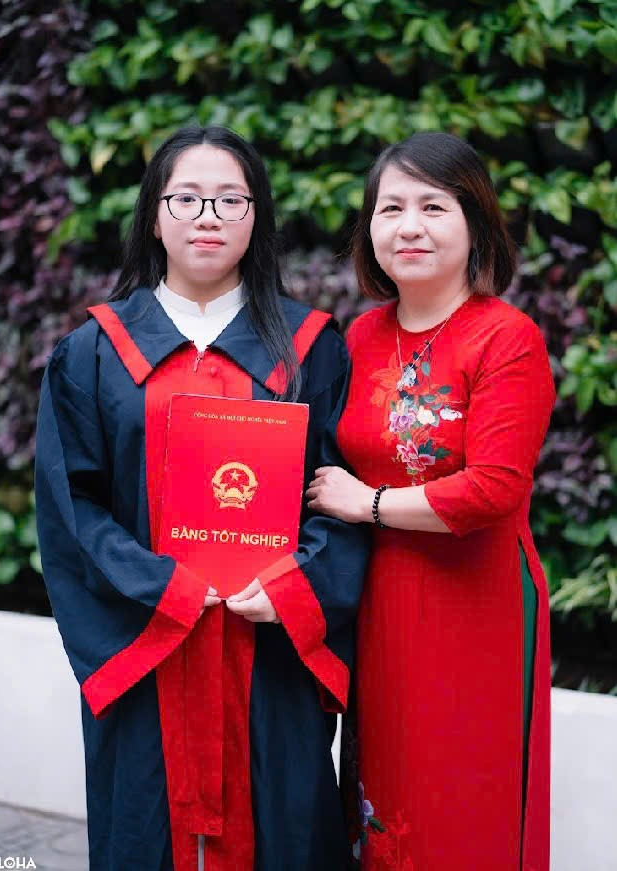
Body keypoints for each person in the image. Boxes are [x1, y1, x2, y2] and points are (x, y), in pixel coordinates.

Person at [35, 125, 369, 871]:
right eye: (185, 198)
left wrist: (293, 587)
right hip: (151, 647)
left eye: (229, 199)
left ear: (256, 217)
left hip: (268, 655)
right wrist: (163, 586)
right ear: (155, 217)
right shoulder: (94, 353)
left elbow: (339, 497)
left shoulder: (311, 349)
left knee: (283, 831)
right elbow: (71, 509)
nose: (207, 216)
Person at [306, 132, 555, 871]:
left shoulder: (506, 338)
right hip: (377, 600)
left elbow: (494, 487)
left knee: (459, 796)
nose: (408, 226)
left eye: (433, 206)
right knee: (383, 793)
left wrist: (369, 504)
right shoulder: (359, 336)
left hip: (472, 601)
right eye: (390, 208)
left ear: (475, 222)